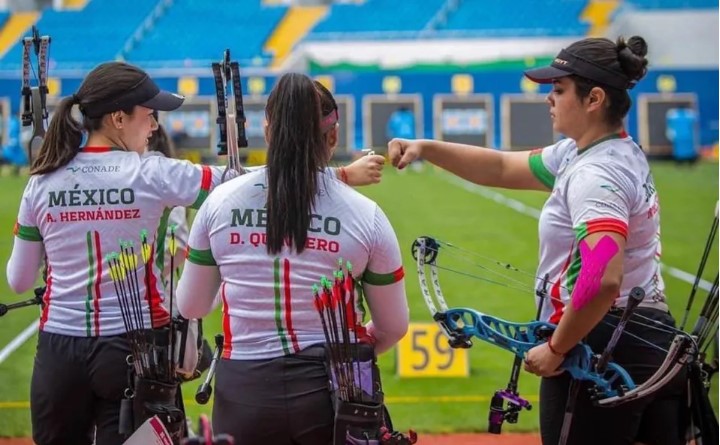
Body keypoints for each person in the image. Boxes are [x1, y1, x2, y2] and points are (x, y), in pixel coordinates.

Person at [4, 61, 384, 445]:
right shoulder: (151, 173)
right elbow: (243, 186)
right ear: (118, 119)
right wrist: (341, 175)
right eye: (149, 116)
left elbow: (19, 279)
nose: (155, 127)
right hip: (134, 351)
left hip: (57, 352)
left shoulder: (41, 181)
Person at [388, 36, 684, 445]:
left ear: (594, 98)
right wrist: (426, 148)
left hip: (599, 345)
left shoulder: (595, 174)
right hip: (639, 337)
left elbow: (601, 277)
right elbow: (503, 167)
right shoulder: (589, 153)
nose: (549, 98)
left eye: (559, 90)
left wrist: (559, 347)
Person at [176, 73, 409, 444]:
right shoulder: (367, 215)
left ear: (269, 133)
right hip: (335, 393)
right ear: (332, 137)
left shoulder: (219, 202)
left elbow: (190, 305)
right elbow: (393, 326)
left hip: (243, 392)